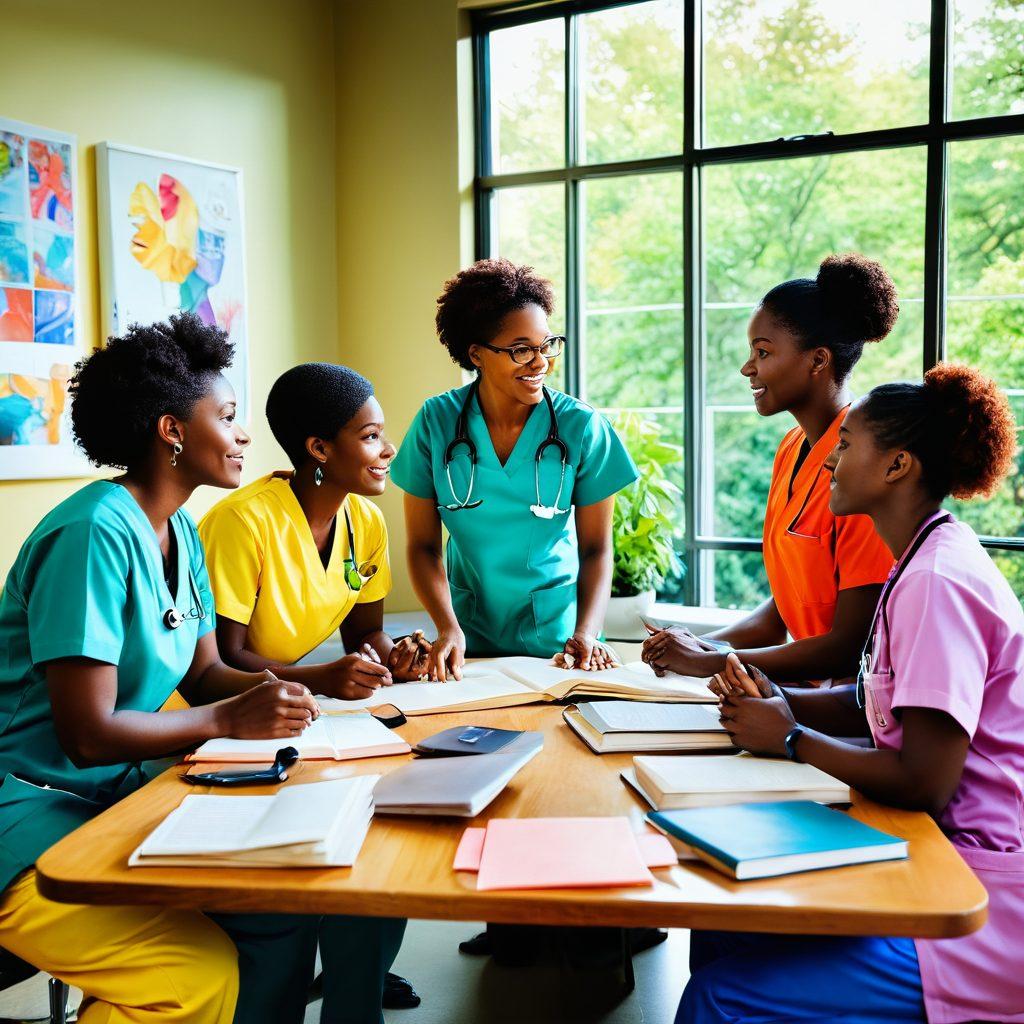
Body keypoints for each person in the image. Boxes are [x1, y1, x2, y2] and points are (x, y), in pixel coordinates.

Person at [0, 314, 325, 1024]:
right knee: (191, 976)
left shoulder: (179, 527)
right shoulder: (92, 534)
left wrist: (299, 691)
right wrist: (228, 719)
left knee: (278, 913)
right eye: (229, 416)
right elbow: (86, 733)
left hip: (108, 798)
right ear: (172, 430)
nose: (243, 435)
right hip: (22, 815)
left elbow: (208, 673)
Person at [679, 363, 1024, 1023]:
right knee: (722, 921)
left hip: (971, 895)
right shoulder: (918, 561)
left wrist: (787, 737)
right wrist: (770, 704)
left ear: (896, 466)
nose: (831, 457)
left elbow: (923, 781)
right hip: (920, 846)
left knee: (719, 997)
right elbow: (878, 706)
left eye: (848, 444)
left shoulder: (936, 583)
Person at [199, 362, 422, 1011]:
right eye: (372, 436)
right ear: (320, 449)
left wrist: (399, 658)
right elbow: (224, 661)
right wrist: (323, 677)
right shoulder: (243, 522)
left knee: (378, 840)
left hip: (296, 714)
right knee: (301, 881)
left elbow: (366, 642)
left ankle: (357, 990)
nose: (388, 451)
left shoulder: (366, 523)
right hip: (215, 723)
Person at [643, 253, 898, 684]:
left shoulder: (866, 470)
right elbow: (782, 610)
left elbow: (850, 648)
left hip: (852, 715)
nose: (748, 367)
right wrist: (699, 644)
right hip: (799, 698)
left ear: (818, 361)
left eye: (763, 352)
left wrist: (708, 663)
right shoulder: (791, 448)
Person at [391, 257, 638, 680]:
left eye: (547, 345)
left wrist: (587, 633)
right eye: (521, 350)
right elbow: (422, 547)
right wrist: (447, 627)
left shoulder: (581, 427)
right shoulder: (436, 422)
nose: (540, 361)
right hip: (464, 640)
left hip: (557, 644)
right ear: (476, 355)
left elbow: (596, 548)